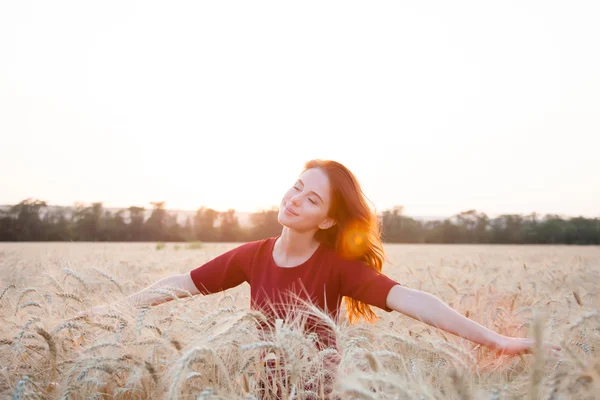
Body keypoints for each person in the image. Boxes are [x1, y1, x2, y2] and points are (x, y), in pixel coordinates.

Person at [82, 159, 560, 397]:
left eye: (312, 200)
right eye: (297, 187)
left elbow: (415, 300)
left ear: (329, 221)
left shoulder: (337, 269)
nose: (294, 199)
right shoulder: (252, 256)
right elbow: (181, 283)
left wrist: (495, 339)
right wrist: (113, 311)